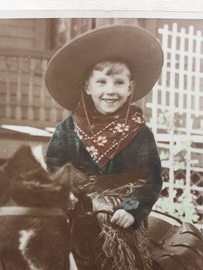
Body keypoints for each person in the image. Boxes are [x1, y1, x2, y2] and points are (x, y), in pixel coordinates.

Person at [45, 25, 164, 270]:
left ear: (130, 88)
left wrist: (131, 210)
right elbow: (55, 165)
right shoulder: (68, 129)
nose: (110, 91)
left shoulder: (139, 133)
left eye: (119, 83)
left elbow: (151, 180)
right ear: (88, 88)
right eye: (102, 82)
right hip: (75, 213)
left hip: (119, 219)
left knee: (124, 260)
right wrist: (63, 189)